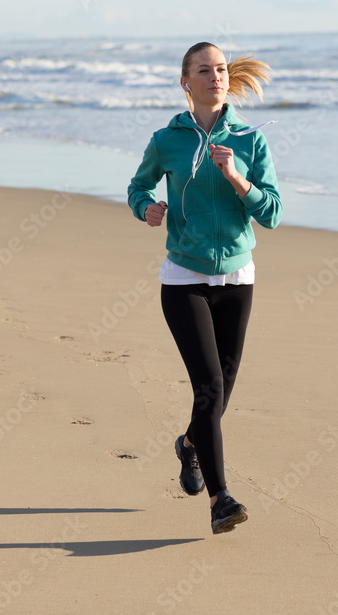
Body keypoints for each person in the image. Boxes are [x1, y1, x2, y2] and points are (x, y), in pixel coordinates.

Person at [127, 42, 282, 534]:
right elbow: (138, 187)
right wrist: (146, 208)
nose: (215, 76)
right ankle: (221, 500)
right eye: (203, 70)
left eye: (219, 69)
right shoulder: (166, 140)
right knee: (209, 388)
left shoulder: (251, 141)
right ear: (185, 82)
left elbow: (273, 213)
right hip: (184, 279)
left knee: (219, 395)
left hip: (237, 278)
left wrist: (236, 177)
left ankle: (190, 444)